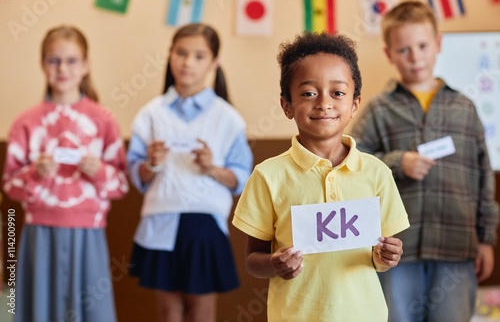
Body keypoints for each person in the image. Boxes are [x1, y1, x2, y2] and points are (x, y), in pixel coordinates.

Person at [232, 31, 410, 321]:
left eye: (338, 93)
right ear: (287, 105)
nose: (323, 103)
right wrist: (275, 264)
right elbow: (253, 260)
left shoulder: (377, 173)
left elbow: (380, 255)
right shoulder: (268, 176)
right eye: (308, 93)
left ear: (355, 103)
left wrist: (387, 257)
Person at [350, 0, 500, 322]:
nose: (415, 57)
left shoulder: (465, 107)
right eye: (404, 49)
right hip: (395, 249)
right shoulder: (378, 110)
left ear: (438, 44)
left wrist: (486, 239)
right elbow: (353, 162)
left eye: (422, 46)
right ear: (389, 54)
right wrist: (396, 163)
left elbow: (483, 178)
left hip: (457, 246)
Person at [127, 23, 253, 322]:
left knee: (201, 311)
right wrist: (151, 164)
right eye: (181, 53)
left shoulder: (228, 118)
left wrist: (212, 168)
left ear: (214, 62)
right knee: (168, 311)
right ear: (170, 55)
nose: (187, 62)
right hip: (159, 222)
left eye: (199, 56)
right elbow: (135, 172)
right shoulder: (151, 113)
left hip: (205, 226)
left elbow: (241, 179)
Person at [2, 25, 129, 322]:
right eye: (54, 60)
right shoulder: (26, 122)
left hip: (89, 234)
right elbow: (10, 184)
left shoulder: (103, 120)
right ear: (42, 63)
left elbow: (121, 184)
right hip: (39, 235)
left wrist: (99, 172)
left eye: (72, 60)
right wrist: (35, 173)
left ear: (85, 65)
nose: (63, 68)